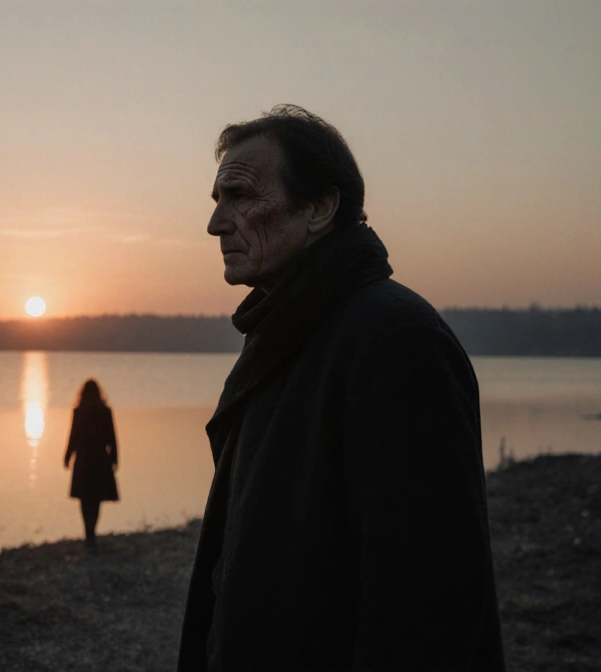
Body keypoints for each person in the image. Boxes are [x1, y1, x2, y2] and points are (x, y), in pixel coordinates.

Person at [177, 106, 505, 670]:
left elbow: (428, 603)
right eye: (217, 201)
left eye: (242, 196)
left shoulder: (395, 340)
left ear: (320, 208)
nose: (217, 223)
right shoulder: (285, 333)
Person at [63, 379, 119, 550]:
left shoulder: (79, 411)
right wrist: (115, 458)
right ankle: (92, 530)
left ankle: (88, 531)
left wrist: (67, 455)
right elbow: (112, 437)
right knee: (96, 497)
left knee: (85, 496)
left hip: (83, 459)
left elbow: (72, 435)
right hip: (101, 459)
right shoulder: (105, 411)